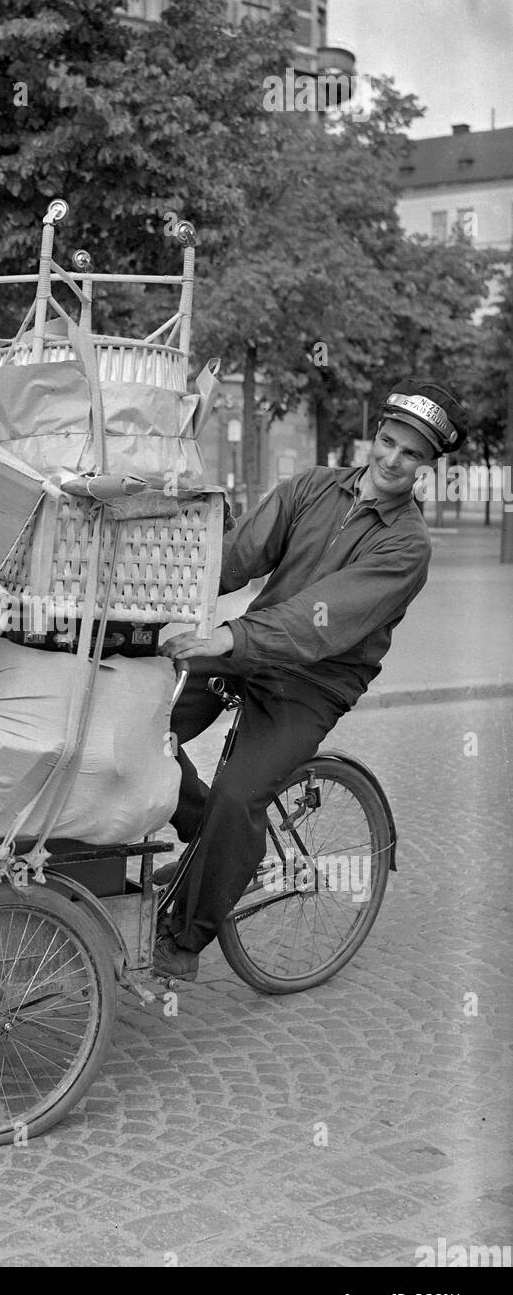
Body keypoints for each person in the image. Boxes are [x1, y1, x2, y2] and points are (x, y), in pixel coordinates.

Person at [152, 378, 469, 980]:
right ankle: (204, 833)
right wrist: (165, 581)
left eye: (411, 453)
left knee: (239, 796)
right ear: (375, 435)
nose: (392, 459)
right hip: (246, 652)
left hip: (311, 684)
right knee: (140, 726)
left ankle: (182, 939)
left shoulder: (406, 546)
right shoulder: (312, 487)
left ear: (428, 465)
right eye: (387, 441)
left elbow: (321, 619)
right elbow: (238, 556)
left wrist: (232, 637)